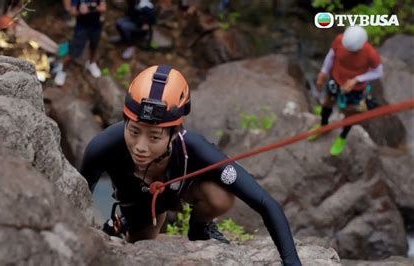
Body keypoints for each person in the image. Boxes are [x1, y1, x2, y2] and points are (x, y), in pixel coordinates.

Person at [80, 65, 302, 265]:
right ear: (125, 121)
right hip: (140, 206)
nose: (141, 147)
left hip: (181, 192)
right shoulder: (103, 147)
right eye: (134, 131)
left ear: (174, 134)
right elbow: (77, 200)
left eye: (155, 137)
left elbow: (265, 203)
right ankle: (131, 224)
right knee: (138, 244)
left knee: (220, 197)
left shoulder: (193, 148)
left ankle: (199, 229)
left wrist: (291, 261)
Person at [309, 25, 383, 156]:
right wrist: (323, 72)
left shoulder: (370, 54)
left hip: (355, 89)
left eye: (352, 51)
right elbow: (331, 56)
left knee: (350, 113)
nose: (349, 51)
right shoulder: (340, 40)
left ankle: (342, 137)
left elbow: (378, 72)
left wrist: (357, 79)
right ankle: (324, 126)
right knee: (327, 102)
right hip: (336, 79)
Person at [55, 0, 106, 86]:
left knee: (94, 45)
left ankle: (91, 63)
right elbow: (72, 11)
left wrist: (93, 8)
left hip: (96, 26)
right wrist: (80, 11)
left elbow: (103, 8)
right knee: (74, 51)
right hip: (82, 28)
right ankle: (62, 70)